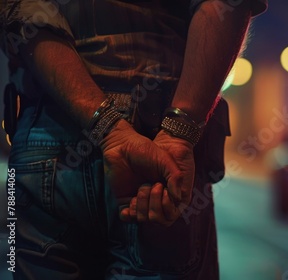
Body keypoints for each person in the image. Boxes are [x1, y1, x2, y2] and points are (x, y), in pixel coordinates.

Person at [0, 0, 267, 279]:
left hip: (48, 135)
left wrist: (108, 128)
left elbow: (21, 8)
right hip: (158, 142)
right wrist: (178, 133)